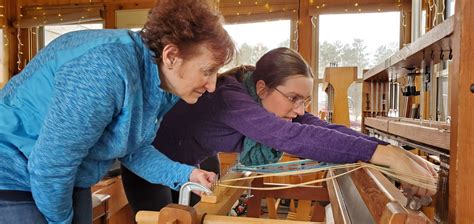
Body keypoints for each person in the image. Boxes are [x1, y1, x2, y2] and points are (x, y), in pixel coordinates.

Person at [122, 47, 437, 214]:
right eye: (293, 98)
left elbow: (318, 127)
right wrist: (385, 155)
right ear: (261, 87)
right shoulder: (229, 97)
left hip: (198, 162)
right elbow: (289, 137)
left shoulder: (268, 102)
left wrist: (395, 154)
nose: (300, 109)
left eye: (305, 101)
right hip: (150, 166)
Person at [0, 0, 235, 223]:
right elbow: (50, 165)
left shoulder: (163, 86)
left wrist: (186, 175)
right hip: (12, 171)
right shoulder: (104, 71)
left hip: (64, 174)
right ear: (171, 55)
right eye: (207, 71)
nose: (212, 85)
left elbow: (133, 149)